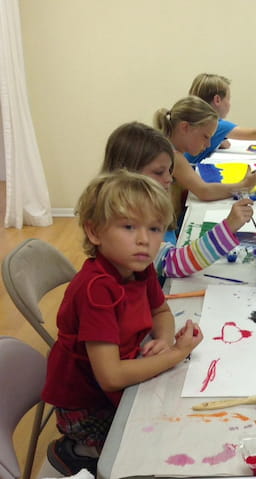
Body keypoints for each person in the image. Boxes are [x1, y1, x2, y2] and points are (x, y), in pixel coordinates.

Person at [43, 170, 204, 476]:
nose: (144, 240)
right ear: (94, 232)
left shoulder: (138, 268)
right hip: (85, 405)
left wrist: (165, 340)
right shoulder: (97, 290)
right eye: (129, 227)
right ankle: (76, 451)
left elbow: (160, 312)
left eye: (155, 228)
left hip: (120, 377)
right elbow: (111, 376)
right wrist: (175, 355)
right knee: (145, 454)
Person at [101, 121, 253, 279]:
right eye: (159, 172)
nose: (169, 179)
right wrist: (228, 228)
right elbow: (173, 263)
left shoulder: (150, 205)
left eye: (170, 170)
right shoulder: (124, 217)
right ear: (129, 171)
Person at [153, 95, 256, 208]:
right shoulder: (173, 156)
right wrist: (245, 185)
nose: (208, 144)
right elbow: (205, 192)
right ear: (184, 127)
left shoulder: (167, 146)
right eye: (205, 136)